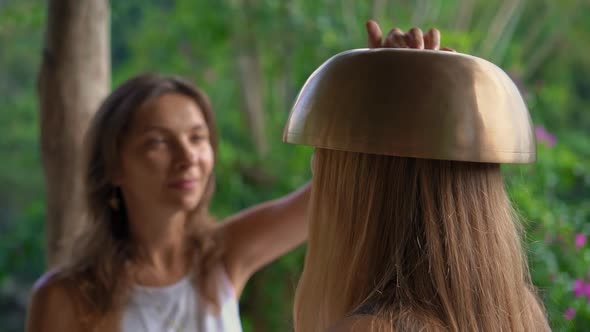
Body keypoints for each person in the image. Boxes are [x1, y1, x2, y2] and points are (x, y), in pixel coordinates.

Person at [288, 20, 551, 332]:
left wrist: (375, 89)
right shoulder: (521, 315)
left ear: (354, 188)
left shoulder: (370, 329)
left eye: (322, 165)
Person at [25, 73, 311, 331]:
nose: (188, 158)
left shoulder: (222, 257)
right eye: (158, 142)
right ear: (113, 166)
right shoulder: (64, 298)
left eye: (197, 137)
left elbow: (325, 200)